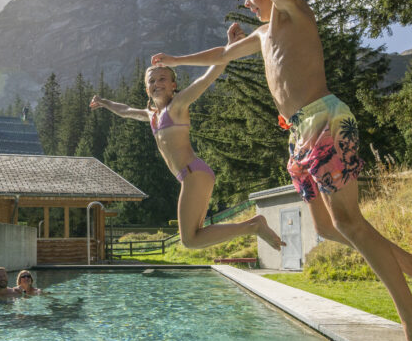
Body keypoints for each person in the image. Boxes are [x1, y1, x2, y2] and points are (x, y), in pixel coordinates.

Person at [154, 0, 412, 341]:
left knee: (349, 221)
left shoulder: (294, 10)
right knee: (330, 228)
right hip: (301, 134)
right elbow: (224, 52)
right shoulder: (264, 31)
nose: (249, 0)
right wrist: (176, 61)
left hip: (325, 120)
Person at [90, 26, 285, 253]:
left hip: (194, 173)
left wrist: (229, 48)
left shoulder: (178, 105)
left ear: (174, 85)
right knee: (194, 237)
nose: (157, 84)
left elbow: (207, 78)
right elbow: (124, 110)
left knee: (189, 239)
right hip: (191, 175)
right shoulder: (152, 115)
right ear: (147, 89)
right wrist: (103, 101)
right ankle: (253, 225)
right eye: (152, 81)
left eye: (162, 79)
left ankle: (254, 226)